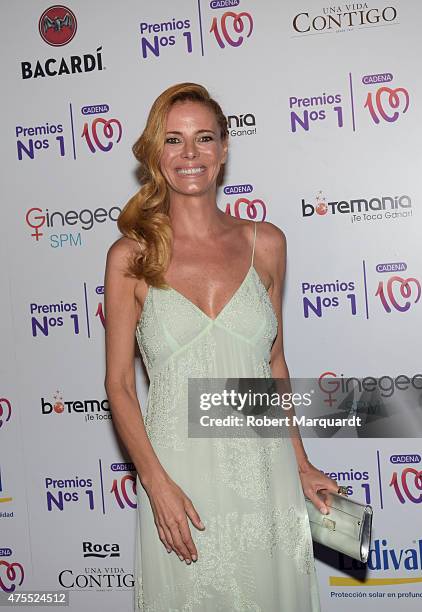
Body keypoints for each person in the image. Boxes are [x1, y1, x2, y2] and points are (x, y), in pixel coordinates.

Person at [104, 82, 339, 611]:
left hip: (265, 473)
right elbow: (118, 384)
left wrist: (300, 464)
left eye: (204, 138)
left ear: (224, 149)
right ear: (155, 153)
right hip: (178, 479)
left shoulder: (267, 243)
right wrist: (155, 483)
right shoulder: (130, 255)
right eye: (173, 140)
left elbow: (273, 362)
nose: (190, 154)